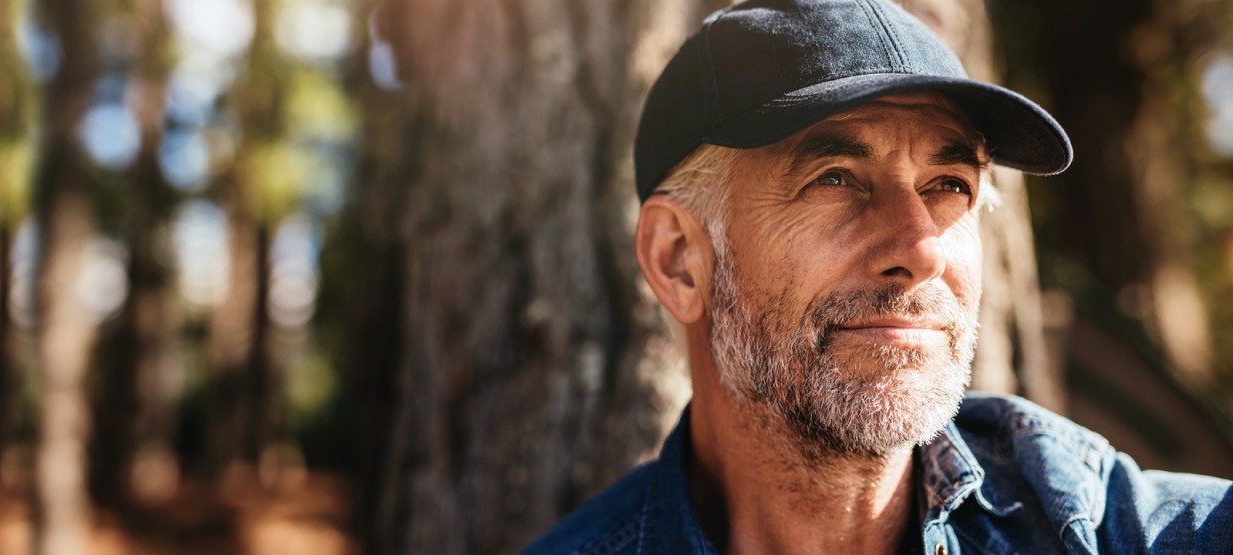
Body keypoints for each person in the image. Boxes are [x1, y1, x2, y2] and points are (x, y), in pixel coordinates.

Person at [523, 0, 1233, 553]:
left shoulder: (1098, 525)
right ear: (679, 258)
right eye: (835, 178)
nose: (919, 247)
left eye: (948, 184)